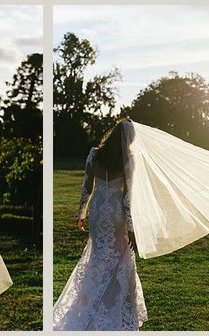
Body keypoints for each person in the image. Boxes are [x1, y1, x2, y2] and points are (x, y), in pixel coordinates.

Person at [53, 118, 148, 331]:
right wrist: (131, 229)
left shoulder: (94, 153)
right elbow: (128, 199)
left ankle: (92, 301)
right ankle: (118, 307)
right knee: (121, 258)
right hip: (116, 212)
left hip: (97, 211)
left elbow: (87, 187)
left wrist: (81, 213)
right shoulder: (128, 159)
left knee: (97, 256)